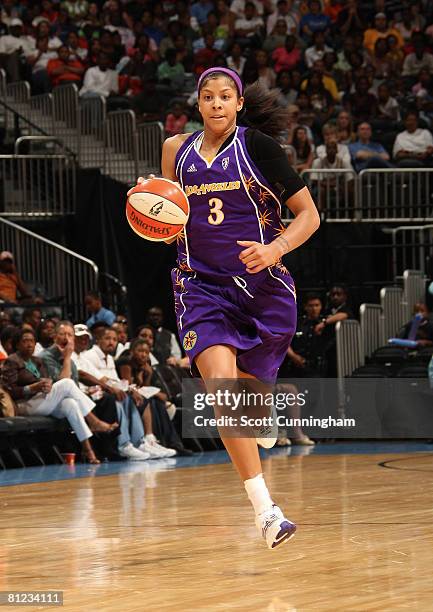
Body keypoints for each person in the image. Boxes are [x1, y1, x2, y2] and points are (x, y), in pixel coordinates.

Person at [129, 67, 320, 548]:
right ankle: (267, 512)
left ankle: (262, 405)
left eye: (225, 96)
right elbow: (171, 215)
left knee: (249, 397)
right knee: (222, 390)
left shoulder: (258, 148)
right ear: (198, 104)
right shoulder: (177, 150)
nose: (216, 103)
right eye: (207, 96)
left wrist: (275, 249)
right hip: (199, 285)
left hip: (262, 288)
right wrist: (150, 200)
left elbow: (309, 216)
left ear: (237, 104)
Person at [2, 328, 105, 464]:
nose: (29, 344)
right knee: (67, 383)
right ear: (17, 344)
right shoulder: (12, 361)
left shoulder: (37, 361)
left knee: (70, 404)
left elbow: (46, 379)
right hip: (23, 404)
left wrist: (47, 385)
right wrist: (30, 388)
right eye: (25, 341)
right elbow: (10, 390)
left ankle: (88, 450)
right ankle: (93, 421)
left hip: (40, 401)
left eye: (32, 341)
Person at [84, 327, 176, 457]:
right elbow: (100, 379)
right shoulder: (90, 356)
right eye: (108, 338)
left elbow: (116, 381)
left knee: (136, 398)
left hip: (109, 390)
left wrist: (129, 389)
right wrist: (127, 389)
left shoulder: (109, 358)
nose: (112, 342)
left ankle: (142, 442)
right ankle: (124, 444)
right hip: (93, 394)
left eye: (114, 339)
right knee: (124, 397)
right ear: (98, 340)